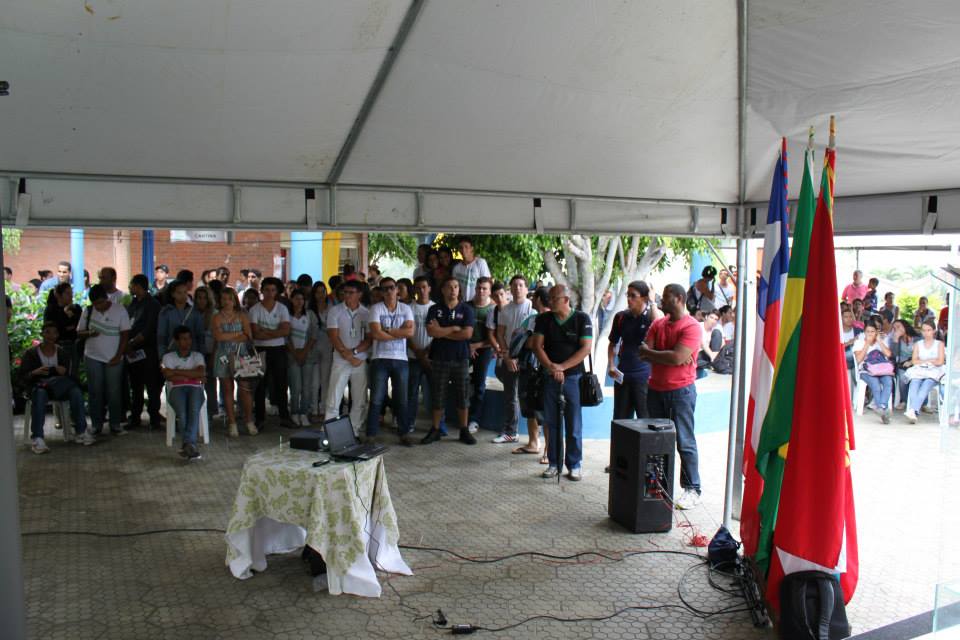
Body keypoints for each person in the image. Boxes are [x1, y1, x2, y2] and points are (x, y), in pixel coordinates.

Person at [639, 284, 702, 510]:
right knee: (656, 441)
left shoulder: (692, 327)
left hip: (681, 392)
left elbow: (676, 358)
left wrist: (660, 354)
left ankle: (692, 489)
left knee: (684, 441)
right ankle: (656, 486)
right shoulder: (658, 324)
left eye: (666, 297)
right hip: (655, 390)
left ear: (680, 299)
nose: (661, 301)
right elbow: (643, 352)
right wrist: (669, 355)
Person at [531, 284, 593, 481]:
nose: (549, 302)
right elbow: (537, 346)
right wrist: (552, 368)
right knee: (552, 422)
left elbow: (586, 348)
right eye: (549, 298)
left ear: (566, 300)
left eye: (554, 298)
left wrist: (563, 367)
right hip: (550, 376)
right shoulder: (544, 319)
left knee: (573, 423)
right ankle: (554, 463)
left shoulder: (582, 318)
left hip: (574, 377)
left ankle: (574, 464)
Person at [420, 277, 476, 445]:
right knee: (438, 395)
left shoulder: (466, 309)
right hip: (439, 358)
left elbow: (467, 334)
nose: (453, 290)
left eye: (456, 287)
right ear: (443, 290)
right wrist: (452, 329)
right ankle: (436, 429)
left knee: (463, 395)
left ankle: (464, 430)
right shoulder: (434, 309)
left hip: (461, 358)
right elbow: (431, 332)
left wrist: (442, 331)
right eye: (449, 287)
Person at [20, 322, 87, 453]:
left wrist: (62, 371)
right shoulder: (31, 353)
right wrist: (35, 372)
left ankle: (81, 431)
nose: (51, 336)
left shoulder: (62, 352)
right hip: (39, 386)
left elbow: (69, 375)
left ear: (57, 335)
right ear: (42, 334)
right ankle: (38, 438)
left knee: (75, 391)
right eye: (48, 332)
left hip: (59, 387)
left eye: (54, 333)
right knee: (40, 394)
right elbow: (22, 377)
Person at [77, 284, 131, 441]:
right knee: (95, 392)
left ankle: (115, 424)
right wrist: (89, 333)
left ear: (107, 298)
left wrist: (118, 355)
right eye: (95, 304)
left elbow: (125, 335)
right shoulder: (88, 311)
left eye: (100, 302)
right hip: (92, 356)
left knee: (114, 391)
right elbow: (79, 332)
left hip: (114, 357)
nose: (98, 306)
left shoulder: (119, 310)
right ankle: (96, 424)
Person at [366, 277, 415, 444]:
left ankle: (404, 433)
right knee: (376, 399)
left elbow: (410, 333)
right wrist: (398, 333)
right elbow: (375, 334)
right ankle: (371, 435)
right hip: (379, 358)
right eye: (385, 288)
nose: (388, 291)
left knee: (402, 398)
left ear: (397, 290)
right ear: (381, 292)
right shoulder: (375, 308)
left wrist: (387, 330)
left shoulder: (406, 308)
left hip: (401, 359)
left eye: (391, 287)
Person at [608, 281, 661, 427]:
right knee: (620, 422)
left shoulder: (650, 316)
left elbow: (658, 326)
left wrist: (653, 302)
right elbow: (612, 343)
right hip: (623, 376)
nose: (629, 299)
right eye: (628, 295)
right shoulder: (621, 317)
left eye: (633, 296)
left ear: (644, 298)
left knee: (646, 420)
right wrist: (611, 364)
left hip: (643, 377)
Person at [325, 280, 371, 433]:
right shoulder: (335, 311)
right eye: (345, 292)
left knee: (359, 400)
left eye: (351, 292)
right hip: (341, 360)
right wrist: (349, 356)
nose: (347, 295)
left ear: (359, 294)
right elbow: (333, 337)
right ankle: (330, 433)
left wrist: (355, 353)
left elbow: (369, 339)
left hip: (360, 361)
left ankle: (354, 431)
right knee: (334, 399)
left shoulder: (366, 313)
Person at [494, 275, 535, 444]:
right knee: (510, 396)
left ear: (526, 288)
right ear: (510, 289)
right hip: (509, 358)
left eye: (521, 285)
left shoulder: (532, 309)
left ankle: (534, 438)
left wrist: (518, 357)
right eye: (514, 285)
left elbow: (531, 338)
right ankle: (511, 432)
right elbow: (500, 334)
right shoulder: (505, 310)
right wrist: (508, 355)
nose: (517, 288)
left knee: (527, 396)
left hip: (526, 360)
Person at [212, 287, 257, 437]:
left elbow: (248, 336)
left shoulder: (242, 315)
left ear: (234, 301)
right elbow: (218, 337)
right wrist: (237, 334)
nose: (226, 302)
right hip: (223, 356)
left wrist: (229, 335)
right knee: (227, 389)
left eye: (229, 299)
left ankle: (249, 421)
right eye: (223, 299)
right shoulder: (216, 317)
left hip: (241, 355)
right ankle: (232, 423)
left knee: (245, 388)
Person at [250, 277, 292, 427]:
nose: (269, 293)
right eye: (267, 290)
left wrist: (265, 331)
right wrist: (275, 332)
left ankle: (284, 417)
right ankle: (260, 418)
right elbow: (255, 334)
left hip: (278, 349)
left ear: (277, 292)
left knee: (281, 383)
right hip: (260, 349)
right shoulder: (255, 309)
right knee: (260, 385)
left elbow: (286, 331)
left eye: (273, 290)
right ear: (262, 291)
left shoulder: (282, 308)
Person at [161, 326, 206, 461]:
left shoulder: (197, 356)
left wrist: (176, 371)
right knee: (182, 413)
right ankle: (190, 445)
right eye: (183, 339)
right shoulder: (168, 357)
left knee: (193, 409)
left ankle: (187, 444)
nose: (187, 342)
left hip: (195, 388)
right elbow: (168, 376)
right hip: (176, 389)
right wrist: (192, 375)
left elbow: (201, 372)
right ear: (176, 341)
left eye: (189, 338)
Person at [125, 274, 163, 429]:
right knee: (136, 386)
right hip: (133, 351)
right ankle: (135, 417)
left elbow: (149, 329)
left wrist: (132, 343)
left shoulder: (153, 304)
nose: (130, 288)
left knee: (152, 386)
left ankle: (154, 418)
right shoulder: (133, 303)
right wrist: (128, 345)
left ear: (138, 286)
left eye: (132, 285)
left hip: (148, 350)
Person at [405, 276, 440, 436]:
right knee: (411, 392)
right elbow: (406, 333)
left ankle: (438, 425)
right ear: (414, 289)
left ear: (429, 288)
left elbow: (438, 333)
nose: (421, 290)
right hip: (413, 356)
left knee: (436, 392)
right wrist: (418, 352)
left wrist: (426, 352)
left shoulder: (436, 308)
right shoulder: (408, 308)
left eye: (424, 287)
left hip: (432, 358)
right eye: (418, 287)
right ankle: (409, 423)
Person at [465, 276, 495, 433]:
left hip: (484, 350)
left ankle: (474, 419)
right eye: (479, 288)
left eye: (484, 288)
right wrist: (469, 346)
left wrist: (476, 346)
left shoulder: (494, 309)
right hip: (465, 347)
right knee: (460, 381)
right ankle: (462, 415)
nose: (481, 291)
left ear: (489, 291)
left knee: (479, 385)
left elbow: (494, 337)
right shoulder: (466, 306)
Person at [287, 289, 319, 427]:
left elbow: (314, 335)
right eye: (296, 299)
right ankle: (294, 412)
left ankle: (304, 413)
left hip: (308, 356)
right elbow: (285, 336)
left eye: (302, 299)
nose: (299, 302)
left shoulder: (310, 314)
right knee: (296, 387)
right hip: (291, 356)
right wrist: (295, 353)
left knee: (307, 387)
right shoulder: (287, 315)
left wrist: (304, 352)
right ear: (291, 300)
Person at [904, 319, 945, 423]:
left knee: (925, 385)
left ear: (934, 331)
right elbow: (914, 361)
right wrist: (931, 360)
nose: (926, 333)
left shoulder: (939, 344)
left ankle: (913, 410)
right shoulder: (918, 344)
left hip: (934, 372)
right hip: (920, 370)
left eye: (929, 330)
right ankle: (913, 412)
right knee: (914, 384)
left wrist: (924, 361)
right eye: (924, 330)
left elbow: (940, 361)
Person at [854, 323, 894, 423]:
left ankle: (881, 407)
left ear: (876, 332)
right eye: (868, 331)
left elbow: (888, 354)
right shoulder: (859, 342)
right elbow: (858, 360)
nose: (870, 334)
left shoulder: (881, 341)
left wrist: (879, 341)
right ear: (864, 332)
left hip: (882, 369)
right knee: (875, 383)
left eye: (872, 331)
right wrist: (867, 344)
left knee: (888, 381)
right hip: (866, 370)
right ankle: (883, 411)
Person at [157, 280, 205, 356]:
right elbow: (161, 336)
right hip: (172, 353)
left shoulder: (194, 312)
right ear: (173, 294)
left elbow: (200, 336)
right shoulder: (166, 312)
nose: (183, 296)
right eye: (179, 293)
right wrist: (162, 355)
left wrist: (201, 355)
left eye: (185, 292)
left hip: (192, 354)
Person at [308, 281, 333, 421]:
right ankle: (313, 408)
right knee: (314, 381)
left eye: (323, 292)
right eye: (318, 292)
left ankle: (323, 408)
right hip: (313, 345)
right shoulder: (309, 308)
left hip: (328, 345)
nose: (321, 295)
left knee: (325, 379)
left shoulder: (331, 307)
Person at [193, 286, 217, 423]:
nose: (201, 301)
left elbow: (217, 338)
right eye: (199, 298)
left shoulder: (214, 314)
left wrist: (214, 355)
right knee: (196, 383)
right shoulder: (192, 313)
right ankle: (197, 409)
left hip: (210, 352)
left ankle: (211, 411)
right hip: (196, 353)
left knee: (210, 383)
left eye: (204, 298)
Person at [888, 319, 918, 410]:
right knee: (902, 378)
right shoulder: (895, 339)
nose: (897, 330)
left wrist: (912, 361)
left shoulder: (917, 338)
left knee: (919, 378)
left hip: (916, 363)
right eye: (894, 328)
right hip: (902, 364)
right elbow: (893, 355)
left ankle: (922, 403)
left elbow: (922, 353)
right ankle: (904, 400)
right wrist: (896, 340)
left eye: (898, 326)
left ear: (905, 326)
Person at [451, 236, 491, 303]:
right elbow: (454, 286)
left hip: (478, 303)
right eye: (461, 247)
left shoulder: (480, 263)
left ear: (472, 248)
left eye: (466, 247)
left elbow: (488, 283)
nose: (463, 250)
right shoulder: (456, 268)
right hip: (462, 303)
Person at [697, 309, 723, 378]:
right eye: (711, 317)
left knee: (717, 332)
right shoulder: (699, 326)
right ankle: (712, 364)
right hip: (700, 353)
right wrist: (712, 356)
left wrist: (715, 355)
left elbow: (722, 344)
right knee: (696, 360)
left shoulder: (717, 328)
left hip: (713, 354)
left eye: (716, 319)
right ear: (706, 317)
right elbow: (702, 344)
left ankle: (713, 363)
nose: (713, 321)